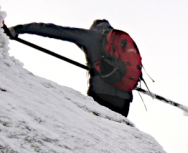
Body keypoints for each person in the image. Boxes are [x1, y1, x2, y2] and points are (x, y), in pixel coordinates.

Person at [5, 20, 134, 117]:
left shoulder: (92, 36)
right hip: (125, 100)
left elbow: (56, 31)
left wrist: (18, 29)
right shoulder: (123, 44)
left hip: (101, 94)